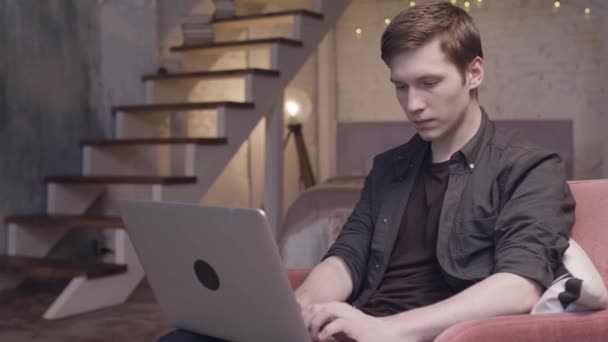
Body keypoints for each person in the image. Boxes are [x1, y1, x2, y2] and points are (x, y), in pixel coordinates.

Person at [159, 2, 575, 341]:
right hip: (353, 325)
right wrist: (301, 309)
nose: (412, 104)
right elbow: (348, 257)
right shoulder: (389, 168)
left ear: (474, 73)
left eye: (428, 83)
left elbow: (520, 285)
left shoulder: (529, 166)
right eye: (400, 85)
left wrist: (385, 329)